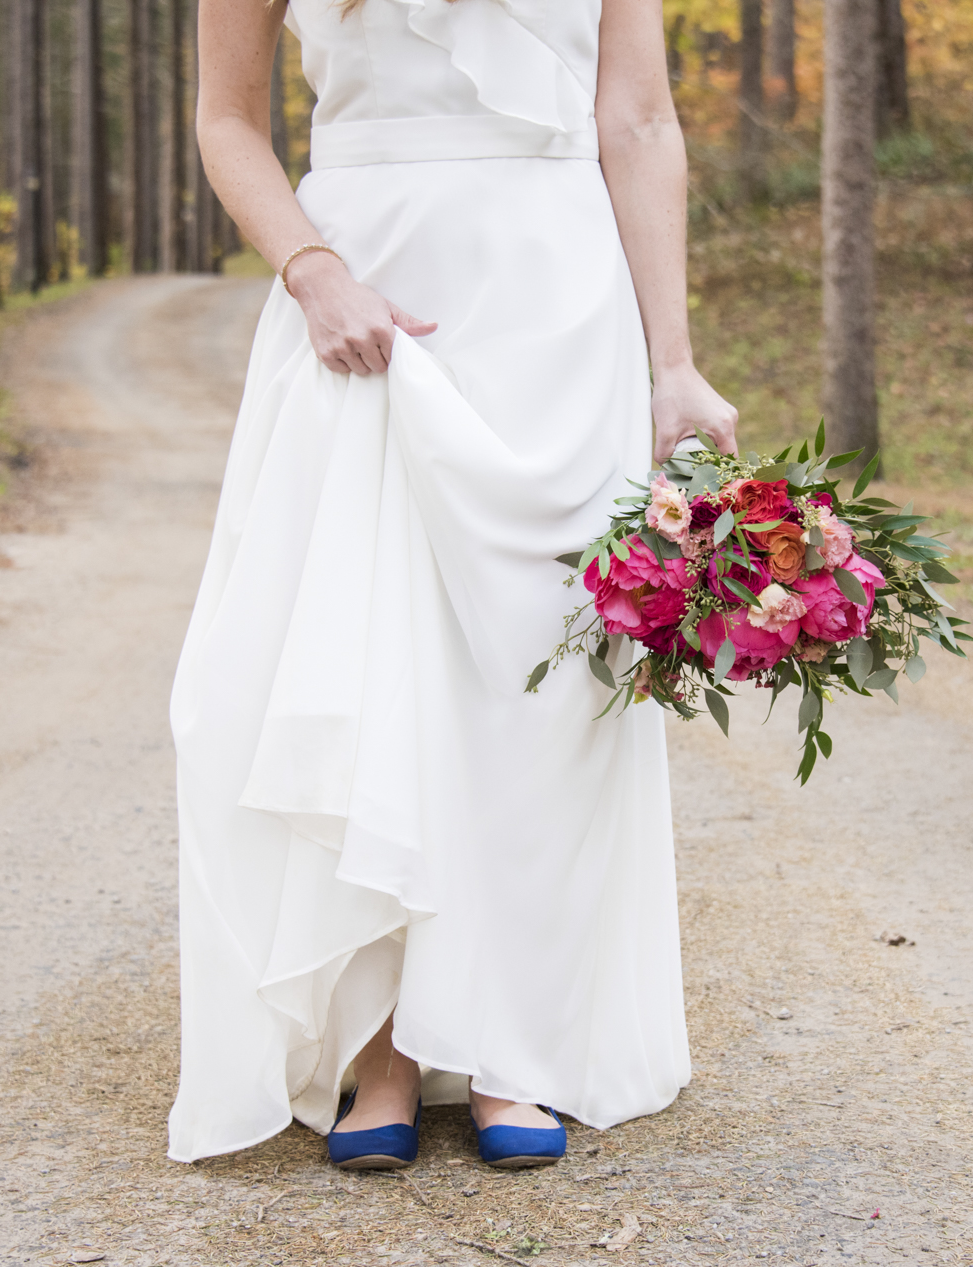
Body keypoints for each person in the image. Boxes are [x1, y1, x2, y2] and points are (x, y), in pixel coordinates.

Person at [166, 0, 737, 1169]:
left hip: (559, 300)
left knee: (541, 671)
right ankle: (383, 1044)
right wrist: (311, 272)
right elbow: (226, 118)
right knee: (375, 646)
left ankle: (506, 1040)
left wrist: (671, 361)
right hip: (366, 295)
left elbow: (635, 118)